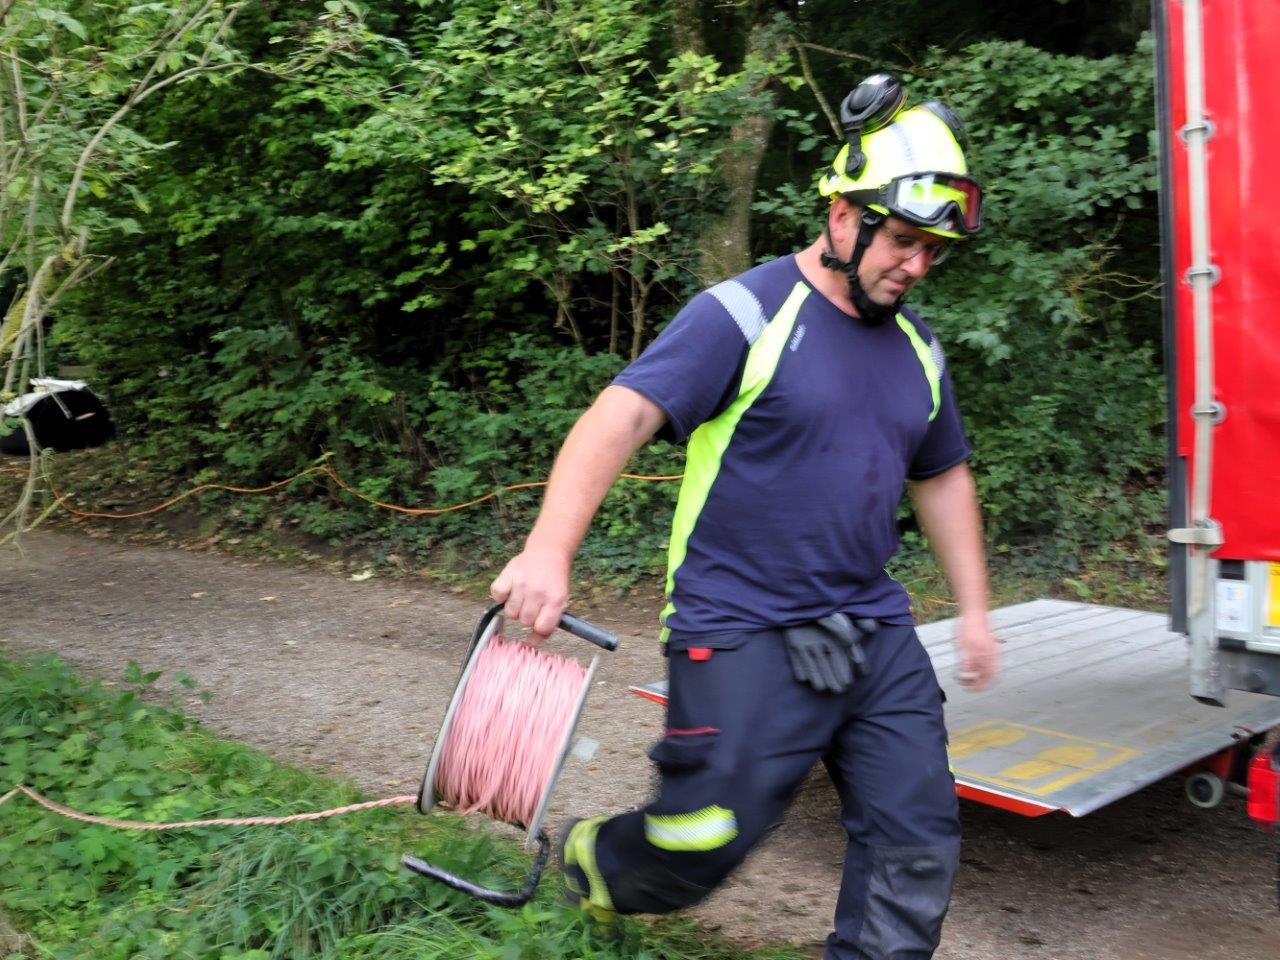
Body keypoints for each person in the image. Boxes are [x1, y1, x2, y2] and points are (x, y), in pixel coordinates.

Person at [490, 73, 1000, 959]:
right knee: (702, 837)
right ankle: (595, 862)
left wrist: (978, 610)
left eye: (933, 251)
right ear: (843, 215)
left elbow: (942, 475)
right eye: (903, 240)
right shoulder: (745, 314)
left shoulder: (918, 348)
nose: (917, 266)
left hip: (870, 629)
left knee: (916, 837)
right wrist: (547, 551)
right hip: (739, 623)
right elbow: (621, 417)